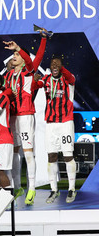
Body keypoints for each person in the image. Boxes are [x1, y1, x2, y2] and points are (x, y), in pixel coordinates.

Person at [3, 31, 47, 205]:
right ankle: (17, 186)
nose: (14, 56)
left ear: (23, 58)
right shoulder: (7, 76)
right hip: (11, 117)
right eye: (13, 54)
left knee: (28, 153)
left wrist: (18, 48)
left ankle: (32, 188)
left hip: (26, 116)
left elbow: (33, 60)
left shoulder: (28, 73)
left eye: (16, 55)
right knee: (14, 152)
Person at [36, 57, 77, 203]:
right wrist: (35, 81)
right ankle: (54, 190)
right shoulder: (46, 79)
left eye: (57, 64)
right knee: (51, 156)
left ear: (61, 66)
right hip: (51, 124)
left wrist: (61, 68)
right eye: (52, 63)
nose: (54, 65)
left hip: (65, 122)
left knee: (67, 156)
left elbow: (72, 78)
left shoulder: (68, 79)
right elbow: (36, 85)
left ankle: (72, 189)